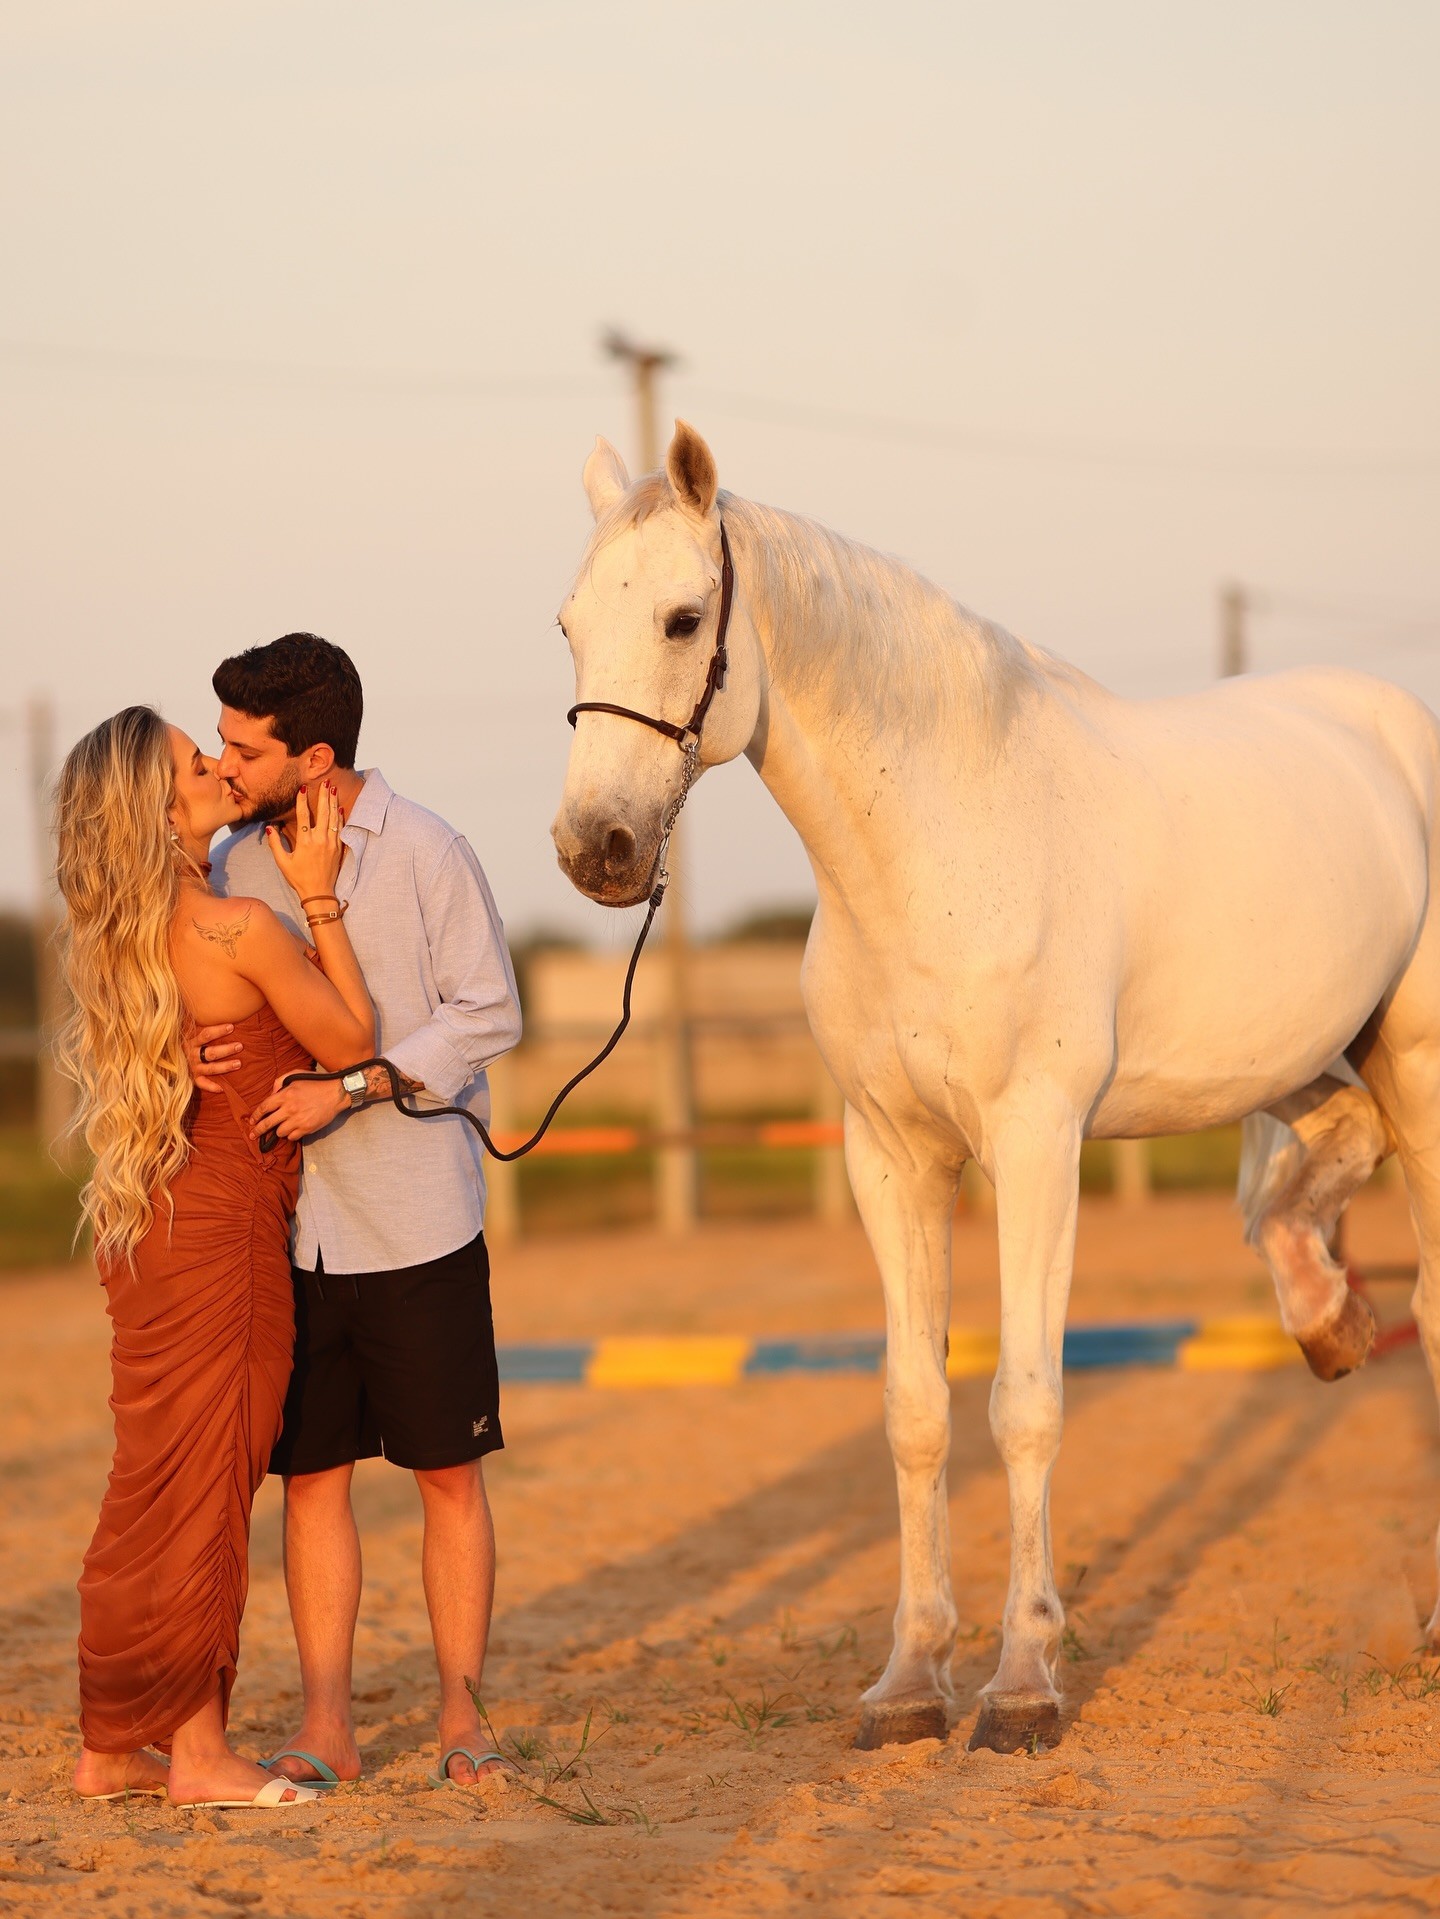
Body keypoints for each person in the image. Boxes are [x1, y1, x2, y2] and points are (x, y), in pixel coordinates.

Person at [191, 633, 522, 1791]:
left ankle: (463, 1716)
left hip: (417, 1215)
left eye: (245, 747)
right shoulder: (230, 863)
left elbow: (488, 1013)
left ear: (315, 753)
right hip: (286, 1229)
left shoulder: (430, 850)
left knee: (446, 1475)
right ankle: (325, 1721)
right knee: (312, 1476)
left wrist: (356, 1086)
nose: (225, 764)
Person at [58, 705, 375, 1808]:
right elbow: (352, 1040)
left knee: (147, 1483)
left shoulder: (116, 936)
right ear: (162, 805)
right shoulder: (238, 927)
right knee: (207, 1488)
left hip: (144, 1225)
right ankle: (198, 1752)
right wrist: (324, 896)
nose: (220, 769)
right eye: (199, 765)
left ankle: (111, 1742)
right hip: (226, 1232)